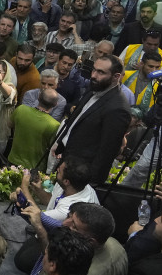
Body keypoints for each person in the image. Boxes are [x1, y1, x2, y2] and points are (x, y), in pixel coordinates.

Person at [50, 55, 132, 184]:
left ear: (116, 77)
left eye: (101, 72)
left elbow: (107, 152)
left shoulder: (118, 109)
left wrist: (90, 183)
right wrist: (62, 142)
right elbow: (77, 119)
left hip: (82, 174)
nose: (93, 75)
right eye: (94, 70)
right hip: (68, 158)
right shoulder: (94, 88)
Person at [9, 88, 62, 168]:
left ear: (38, 97)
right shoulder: (54, 125)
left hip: (12, 162)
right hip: (35, 168)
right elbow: (53, 149)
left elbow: (9, 125)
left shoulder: (21, 109)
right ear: (55, 104)